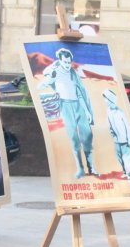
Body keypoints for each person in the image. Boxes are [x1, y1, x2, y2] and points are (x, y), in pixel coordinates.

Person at [39, 46, 96, 177]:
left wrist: (87, 111)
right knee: (74, 138)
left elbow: (80, 93)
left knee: (87, 135)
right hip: (65, 106)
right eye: (65, 62)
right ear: (60, 60)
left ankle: (91, 167)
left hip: (78, 105)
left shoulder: (73, 73)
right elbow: (43, 80)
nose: (67, 65)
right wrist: (54, 68)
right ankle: (80, 168)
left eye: (69, 62)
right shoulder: (54, 72)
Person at [102, 87, 130, 180]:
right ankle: (125, 172)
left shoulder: (120, 112)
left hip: (125, 140)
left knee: (127, 157)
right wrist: (113, 135)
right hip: (116, 140)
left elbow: (127, 126)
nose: (105, 101)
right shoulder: (108, 111)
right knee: (119, 157)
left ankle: (129, 175)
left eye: (106, 98)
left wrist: (129, 139)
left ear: (110, 99)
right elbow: (109, 124)